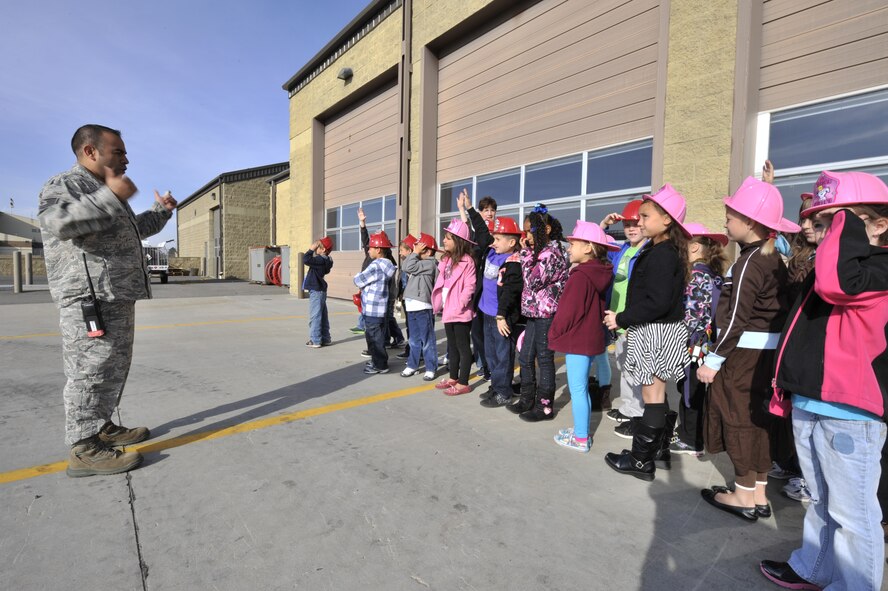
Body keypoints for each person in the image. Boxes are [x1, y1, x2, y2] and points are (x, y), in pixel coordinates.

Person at [760, 171, 888, 591]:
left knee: (854, 515)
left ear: (880, 223)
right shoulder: (833, 267)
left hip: (850, 413)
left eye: (831, 223)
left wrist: (843, 224)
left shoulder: (877, 269)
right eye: (819, 224)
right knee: (819, 499)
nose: (820, 232)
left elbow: (838, 285)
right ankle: (813, 568)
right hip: (812, 402)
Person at [38, 124, 177, 477]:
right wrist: (110, 196)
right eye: (118, 151)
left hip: (115, 293)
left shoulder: (102, 190)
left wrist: (160, 212)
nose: (126, 159)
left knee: (112, 366)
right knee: (90, 369)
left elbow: (132, 230)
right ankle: (83, 449)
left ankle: (100, 427)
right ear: (90, 152)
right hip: (89, 297)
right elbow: (60, 223)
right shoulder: (66, 185)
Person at [697, 177, 799, 520]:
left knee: (737, 420)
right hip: (765, 359)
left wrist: (713, 359)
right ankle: (756, 493)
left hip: (741, 357)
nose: (726, 221)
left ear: (750, 223)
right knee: (758, 422)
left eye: (731, 215)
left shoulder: (748, 264)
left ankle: (742, 497)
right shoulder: (771, 260)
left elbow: (734, 320)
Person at [603, 185, 690, 481]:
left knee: (652, 397)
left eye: (644, 216)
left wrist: (622, 317)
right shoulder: (660, 249)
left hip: (655, 332)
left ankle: (641, 461)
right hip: (659, 330)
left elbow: (657, 301)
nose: (638, 221)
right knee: (657, 395)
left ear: (667, 220)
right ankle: (658, 452)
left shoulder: (663, 254)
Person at [549, 221, 617, 451]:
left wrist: (553, 333)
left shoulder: (580, 277)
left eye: (573, 243)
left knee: (578, 389)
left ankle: (580, 439)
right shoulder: (598, 271)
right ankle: (581, 432)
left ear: (588, 247)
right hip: (591, 338)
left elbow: (568, 312)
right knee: (582, 389)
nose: (569, 248)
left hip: (579, 341)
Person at [670, 223, 728, 456]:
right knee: (699, 392)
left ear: (694, 247)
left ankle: (690, 439)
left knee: (689, 392)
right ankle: (700, 435)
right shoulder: (714, 275)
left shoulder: (694, 276)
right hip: (710, 345)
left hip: (694, 345)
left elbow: (691, 317)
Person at [509, 204, 570, 421]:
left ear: (545, 230)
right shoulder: (539, 252)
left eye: (529, 231)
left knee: (544, 359)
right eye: (525, 231)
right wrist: (528, 252)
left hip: (546, 313)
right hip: (533, 312)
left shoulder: (552, 253)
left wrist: (524, 253)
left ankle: (545, 407)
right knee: (525, 357)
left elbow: (532, 280)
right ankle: (527, 399)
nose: (526, 236)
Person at [469, 215, 524, 409]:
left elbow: (510, 293)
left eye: (499, 239)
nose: (494, 241)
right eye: (494, 237)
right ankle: (496, 385)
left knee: (503, 356)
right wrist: (469, 210)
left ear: (512, 242)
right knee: (490, 354)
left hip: (501, 317)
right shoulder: (490, 253)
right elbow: (483, 234)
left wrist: (502, 316)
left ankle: (504, 392)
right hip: (486, 313)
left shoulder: (514, 262)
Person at [600, 200, 647, 425]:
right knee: (624, 365)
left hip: (634, 320)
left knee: (635, 368)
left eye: (636, 224)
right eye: (627, 224)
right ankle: (629, 408)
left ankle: (636, 412)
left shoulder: (648, 252)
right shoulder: (624, 250)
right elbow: (598, 247)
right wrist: (603, 227)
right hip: (617, 319)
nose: (631, 228)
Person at [432, 219, 477, 395]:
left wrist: (460, 305)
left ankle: (463, 382)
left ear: (458, 241)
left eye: (448, 237)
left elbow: (470, 286)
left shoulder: (468, 262)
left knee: (463, 347)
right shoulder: (447, 260)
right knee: (452, 347)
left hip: (460, 311)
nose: (444, 240)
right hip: (448, 310)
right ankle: (453, 377)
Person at [458, 191, 497, 381]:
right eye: (486, 210)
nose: (490, 213)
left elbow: (482, 232)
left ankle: (489, 366)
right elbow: (468, 230)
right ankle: (483, 363)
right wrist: (463, 209)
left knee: (490, 335)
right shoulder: (477, 234)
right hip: (477, 290)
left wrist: (470, 208)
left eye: (492, 210)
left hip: (491, 293)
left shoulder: (496, 235)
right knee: (477, 333)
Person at [354, 231, 397, 374]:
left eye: (371, 247)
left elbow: (358, 280)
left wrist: (357, 276)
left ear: (378, 250)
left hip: (372, 308)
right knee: (378, 337)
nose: (369, 250)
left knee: (373, 339)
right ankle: (378, 361)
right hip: (381, 308)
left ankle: (380, 365)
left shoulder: (375, 266)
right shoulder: (388, 264)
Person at [400, 233, 439, 381]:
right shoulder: (419, 262)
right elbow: (406, 266)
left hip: (423, 305)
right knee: (414, 339)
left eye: (420, 248)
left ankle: (430, 367)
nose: (415, 250)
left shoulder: (430, 263)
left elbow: (407, 266)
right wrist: (416, 253)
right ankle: (412, 365)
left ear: (428, 252)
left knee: (427, 339)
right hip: (412, 305)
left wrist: (414, 253)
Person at [303, 236, 334, 348]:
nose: (316, 249)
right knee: (322, 315)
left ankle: (315, 340)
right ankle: (325, 338)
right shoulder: (326, 260)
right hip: (320, 290)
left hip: (316, 291)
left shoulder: (320, 259)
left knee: (315, 316)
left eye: (318, 247)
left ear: (323, 250)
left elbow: (306, 259)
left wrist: (311, 249)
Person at [395, 234, 418, 360]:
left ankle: (415, 352)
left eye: (401, 251)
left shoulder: (413, 265)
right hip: (405, 299)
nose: (399, 253)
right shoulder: (405, 263)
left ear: (410, 251)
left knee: (414, 328)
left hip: (412, 300)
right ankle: (410, 349)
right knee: (409, 326)